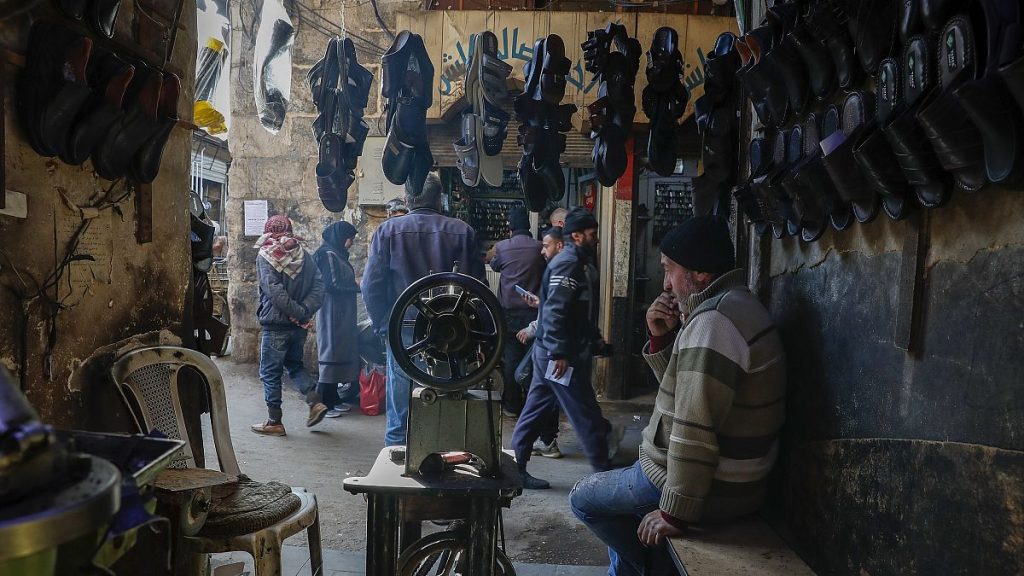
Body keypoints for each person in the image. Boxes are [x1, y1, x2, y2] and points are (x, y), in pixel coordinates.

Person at [568, 216, 786, 575]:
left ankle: (653, 567)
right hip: (735, 482)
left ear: (699, 274)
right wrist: (662, 339)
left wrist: (675, 512)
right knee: (622, 526)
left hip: (706, 487)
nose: (666, 283)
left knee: (584, 498)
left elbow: (692, 428)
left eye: (670, 270)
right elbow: (689, 390)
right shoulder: (735, 304)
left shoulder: (713, 322)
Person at [361, 173, 485, 446]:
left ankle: (395, 467)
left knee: (400, 410)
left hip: (404, 330)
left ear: (407, 198)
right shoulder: (462, 232)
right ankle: (445, 455)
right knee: (448, 397)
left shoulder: (388, 232)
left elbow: (371, 286)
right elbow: (479, 289)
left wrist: (385, 327)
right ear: (439, 199)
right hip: (453, 334)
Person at [511, 207, 617, 489]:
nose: (596, 240)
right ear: (576, 235)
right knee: (583, 412)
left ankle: (515, 469)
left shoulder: (581, 265)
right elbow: (555, 312)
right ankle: (604, 477)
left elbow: (578, 313)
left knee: (534, 411)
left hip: (553, 352)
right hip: (557, 357)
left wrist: (595, 341)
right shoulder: (568, 264)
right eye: (592, 235)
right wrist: (559, 353)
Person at [251, 215, 328, 436]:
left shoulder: (265, 255)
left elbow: (273, 291)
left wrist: (296, 312)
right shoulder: (304, 255)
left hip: (276, 324)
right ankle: (314, 401)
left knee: (270, 372)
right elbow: (319, 287)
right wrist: (304, 312)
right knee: (294, 364)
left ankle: (274, 421)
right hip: (298, 326)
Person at [488, 206, 545, 416]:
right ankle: (532, 406)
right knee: (533, 359)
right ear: (528, 225)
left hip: (509, 312)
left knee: (511, 358)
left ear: (510, 226)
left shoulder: (503, 247)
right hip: (534, 312)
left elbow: (494, 266)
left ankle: (512, 406)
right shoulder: (540, 247)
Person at [515, 226, 565, 459]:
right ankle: (536, 444)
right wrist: (538, 304)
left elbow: (559, 314)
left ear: (560, 245)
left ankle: (530, 450)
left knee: (544, 397)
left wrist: (535, 330)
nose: (542, 251)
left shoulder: (563, 273)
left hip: (552, 348)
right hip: (551, 347)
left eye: (546, 246)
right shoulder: (556, 270)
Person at [313, 221, 360, 419]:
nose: (350, 243)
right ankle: (323, 402)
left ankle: (333, 399)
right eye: (349, 239)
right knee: (331, 351)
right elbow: (331, 285)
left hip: (341, 311)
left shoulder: (336, 254)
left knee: (338, 350)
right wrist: (357, 287)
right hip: (332, 311)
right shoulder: (328, 255)